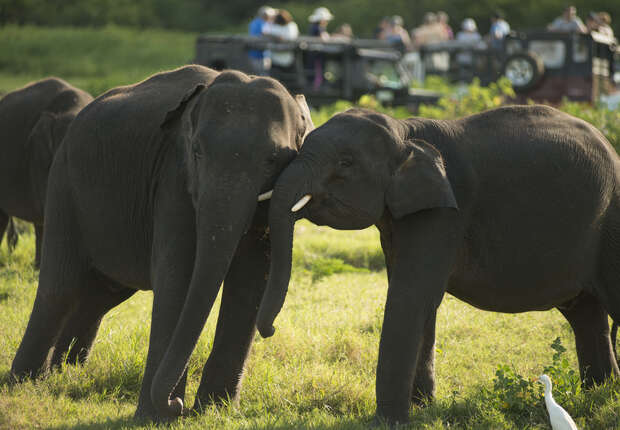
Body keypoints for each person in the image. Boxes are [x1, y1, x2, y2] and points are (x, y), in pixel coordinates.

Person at [308, 7, 334, 89]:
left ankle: (317, 85)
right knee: (318, 69)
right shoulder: (317, 27)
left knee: (318, 69)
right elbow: (324, 38)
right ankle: (317, 86)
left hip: (316, 51)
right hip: (317, 51)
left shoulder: (316, 27)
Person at [248, 6, 276, 75]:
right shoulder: (262, 23)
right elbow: (265, 35)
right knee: (263, 75)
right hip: (261, 53)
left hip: (257, 53)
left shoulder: (255, 22)